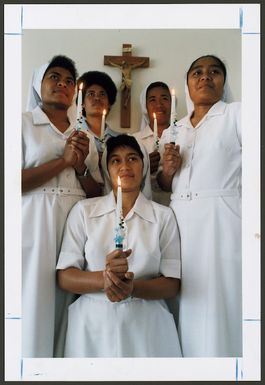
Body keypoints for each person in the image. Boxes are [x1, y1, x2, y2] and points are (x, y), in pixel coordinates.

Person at [56, 134, 182, 357]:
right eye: (115, 160)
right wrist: (105, 280)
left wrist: (132, 288)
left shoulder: (163, 216)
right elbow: (65, 276)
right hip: (92, 327)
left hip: (147, 326)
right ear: (107, 169)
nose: (125, 166)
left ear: (144, 166)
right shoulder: (84, 211)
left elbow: (172, 283)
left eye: (133, 158)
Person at [158, 55, 242, 357]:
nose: (205, 77)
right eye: (197, 72)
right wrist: (167, 169)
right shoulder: (173, 131)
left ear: (224, 81)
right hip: (181, 222)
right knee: (187, 295)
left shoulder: (236, 115)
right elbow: (165, 184)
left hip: (223, 218)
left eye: (214, 71)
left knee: (220, 296)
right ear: (188, 84)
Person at [22, 55, 102, 358]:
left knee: (70, 300)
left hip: (76, 222)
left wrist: (80, 168)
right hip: (36, 220)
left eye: (70, 81)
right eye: (54, 77)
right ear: (38, 84)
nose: (62, 84)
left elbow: (96, 193)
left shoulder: (84, 135)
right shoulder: (23, 123)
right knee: (36, 299)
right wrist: (63, 162)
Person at [133, 81, 175, 205]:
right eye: (152, 100)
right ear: (145, 106)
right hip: (145, 205)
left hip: (177, 204)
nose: (159, 105)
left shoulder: (184, 136)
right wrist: (144, 166)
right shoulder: (134, 140)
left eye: (164, 98)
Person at [78, 70, 118, 156]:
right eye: (91, 94)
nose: (97, 98)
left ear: (109, 103)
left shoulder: (120, 139)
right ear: (82, 103)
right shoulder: (74, 135)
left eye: (102, 94)